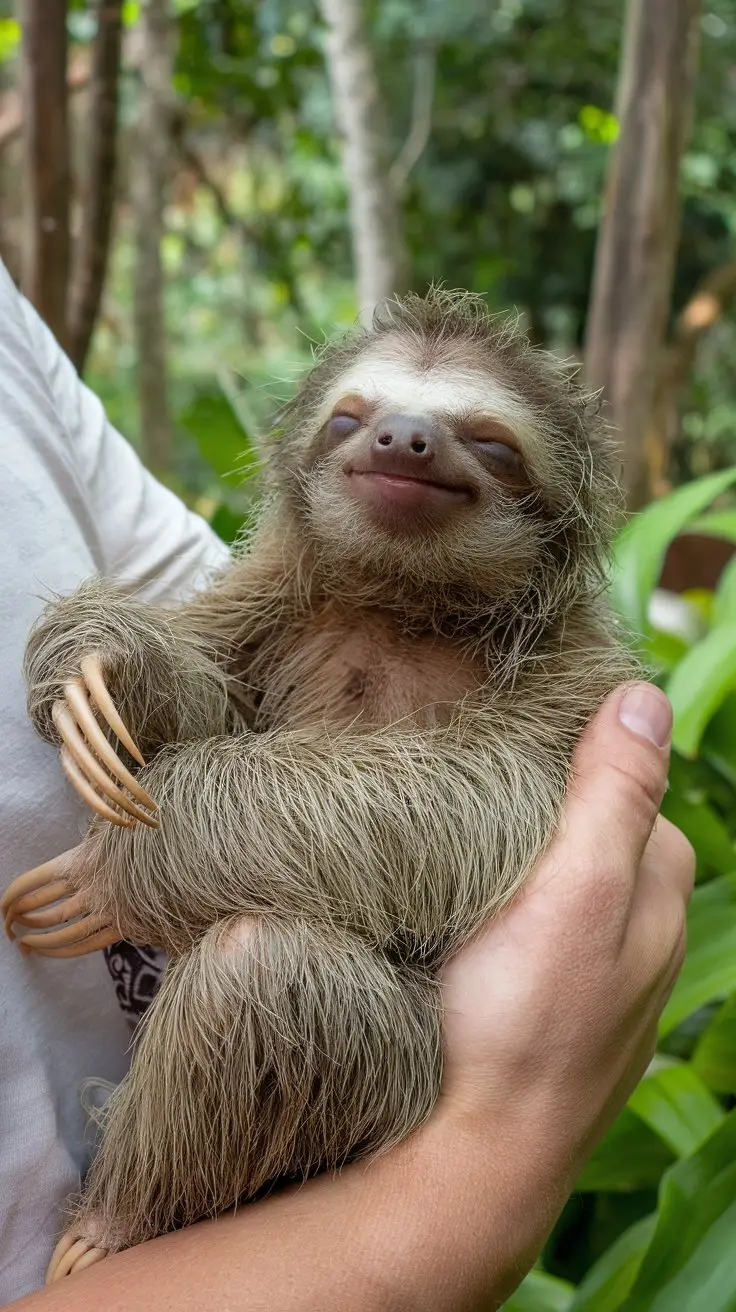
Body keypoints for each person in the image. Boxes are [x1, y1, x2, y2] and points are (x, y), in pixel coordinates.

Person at [0, 255, 694, 1309]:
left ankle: (133, 1215)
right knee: (247, 939)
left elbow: (460, 825)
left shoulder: (561, 675)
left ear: (555, 517)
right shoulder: (283, 591)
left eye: (486, 443)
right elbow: (184, 684)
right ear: (299, 473)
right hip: (308, 1121)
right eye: (355, 421)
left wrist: (164, 843)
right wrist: (100, 651)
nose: (405, 440)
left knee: (263, 965)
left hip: (371, 1045)